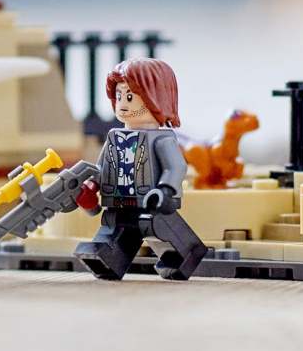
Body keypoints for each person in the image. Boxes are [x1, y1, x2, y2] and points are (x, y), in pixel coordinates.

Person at [74, 57, 207, 281]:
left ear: (156, 98)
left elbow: (176, 166)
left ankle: (185, 255)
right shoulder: (114, 137)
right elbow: (101, 168)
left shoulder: (161, 139)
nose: (122, 104)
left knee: (156, 226)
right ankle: (108, 261)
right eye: (119, 96)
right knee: (112, 230)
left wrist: (165, 190)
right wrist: (90, 189)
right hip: (118, 202)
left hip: (152, 203)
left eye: (130, 97)